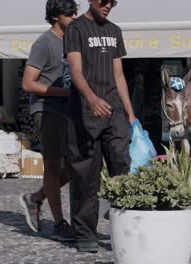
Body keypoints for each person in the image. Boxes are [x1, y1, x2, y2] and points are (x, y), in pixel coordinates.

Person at [64, 0, 136, 253]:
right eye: (104, 1)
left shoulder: (115, 31)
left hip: (113, 109)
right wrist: (92, 98)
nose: (109, 6)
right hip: (84, 111)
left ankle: (126, 228)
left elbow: (119, 76)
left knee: (122, 168)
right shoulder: (75, 29)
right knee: (86, 176)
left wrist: (129, 114)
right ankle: (85, 234)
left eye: (113, 2)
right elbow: (75, 71)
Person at [19, 0, 77, 241]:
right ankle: (59, 223)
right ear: (55, 16)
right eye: (69, 13)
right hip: (48, 109)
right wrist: (63, 92)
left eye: (76, 11)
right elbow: (28, 83)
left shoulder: (73, 41)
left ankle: (35, 198)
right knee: (53, 167)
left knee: (77, 165)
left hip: (71, 110)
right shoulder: (43, 43)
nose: (74, 16)